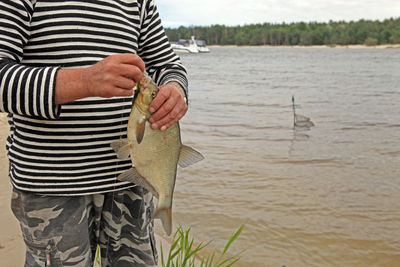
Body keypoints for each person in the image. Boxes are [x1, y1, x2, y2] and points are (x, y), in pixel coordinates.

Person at [0, 0, 188, 266]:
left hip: (131, 181)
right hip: (52, 186)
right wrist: (84, 81)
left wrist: (175, 90)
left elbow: (168, 65)